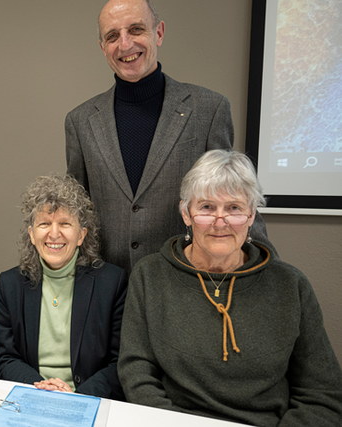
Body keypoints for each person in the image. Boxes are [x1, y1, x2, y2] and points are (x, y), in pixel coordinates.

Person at [118, 150, 342, 426]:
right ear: (186, 214)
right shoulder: (150, 275)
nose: (220, 221)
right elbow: (137, 374)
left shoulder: (290, 285)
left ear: (251, 216)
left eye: (234, 208)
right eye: (207, 207)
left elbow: (322, 393)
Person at [65, 0, 273, 274]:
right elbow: (75, 213)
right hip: (108, 292)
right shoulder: (80, 122)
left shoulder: (208, 109)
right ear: (103, 47)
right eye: (112, 36)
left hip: (184, 285)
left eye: (136, 30)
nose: (125, 44)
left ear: (159, 33)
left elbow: (232, 193)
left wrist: (271, 273)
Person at [0, 174, 127, 399]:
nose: (54, 233)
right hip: (32, 396)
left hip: (90, 398)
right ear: (32, 235)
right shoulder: (10, 285)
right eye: (44, 223)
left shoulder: (112, 283)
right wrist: (41, 388)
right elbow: (7, 359)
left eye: (65, 223)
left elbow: (120, 363)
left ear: (81, 235)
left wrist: (76, 397)